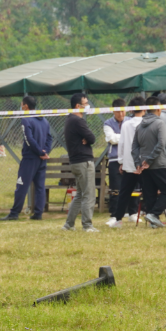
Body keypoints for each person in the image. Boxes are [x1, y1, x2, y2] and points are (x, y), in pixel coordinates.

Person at [0, 95, 52, 221]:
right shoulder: (44, 120)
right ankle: (38, 213)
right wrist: (45, 152)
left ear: (26, 106)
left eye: (22, 105)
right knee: (40, 187)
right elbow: (50, 138)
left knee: (21, 185)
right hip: (41, 159)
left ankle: (14, 213)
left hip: (30, 158)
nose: (21, 107)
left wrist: (39, 152)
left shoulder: (26, 119)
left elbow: (29, 139)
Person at [132, 96, 166, 228]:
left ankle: (152, 222)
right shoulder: (160, 123)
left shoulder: (140, 126)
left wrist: (138, 162)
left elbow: (134, 147)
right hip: (159, 163)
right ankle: (154, 214)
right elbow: (161, 144)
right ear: (157, 108)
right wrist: (149, 160)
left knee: (150, 193)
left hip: (145, 165)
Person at [62, 93, 98, 232]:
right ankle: (87, 225)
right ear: (78, 106)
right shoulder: (78, 120)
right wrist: (87, 139)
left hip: (75, 162)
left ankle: (69, 225)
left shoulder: (70, 120)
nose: (88, 105)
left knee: (79, 194)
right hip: (83, 161)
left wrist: (86, 138)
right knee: (88, 194)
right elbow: (92, 138)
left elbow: (88, 137)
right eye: (86, 103)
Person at [109, 96, 145, 227]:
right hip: (145, 164)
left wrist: (121, 162)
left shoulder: (126, 124)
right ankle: (152, 216)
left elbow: (122, 144)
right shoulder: (148, 122)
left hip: (129, 164)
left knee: (124, 193)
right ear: (144, 109)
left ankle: (117, 219)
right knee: (148, 191)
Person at [102, 98, 125, 221]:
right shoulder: (108, 123)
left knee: (134, 187)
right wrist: (127, 136)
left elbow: (116, 138)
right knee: (115, 188)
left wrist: (118, 137)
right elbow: (112, 139)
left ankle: (131, 212)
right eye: (117, 112)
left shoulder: (130, 121)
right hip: (114, 159)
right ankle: (114, 214)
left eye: (122, 111)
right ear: (113, 111)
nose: (120, 114)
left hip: (129, 159)